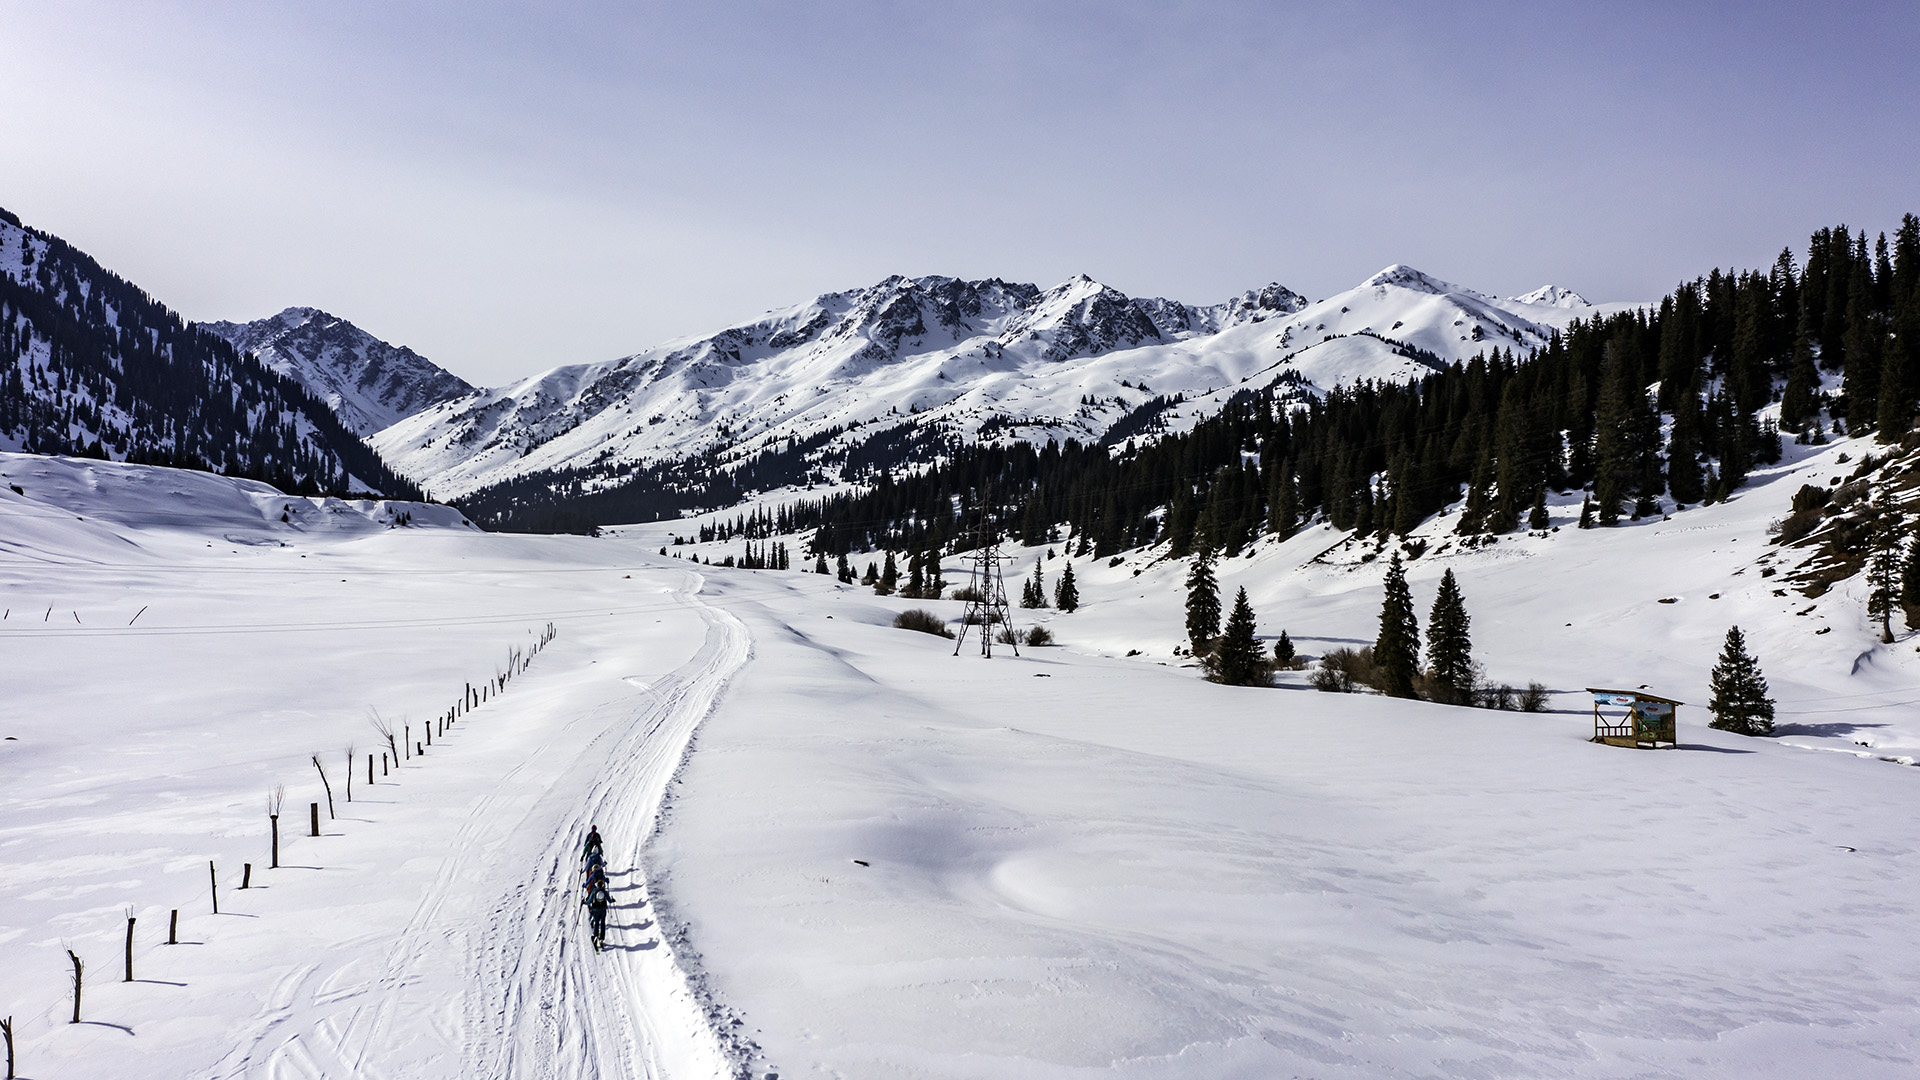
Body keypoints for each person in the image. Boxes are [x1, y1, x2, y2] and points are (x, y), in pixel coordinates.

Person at [586, 875, 611, 950]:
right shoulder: (605, 892)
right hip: (603, 909)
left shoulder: (594, 891)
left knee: (596, 922)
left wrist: (584, 902)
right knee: (602, 923)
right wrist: (613, 900)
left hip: (595, 910)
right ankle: (601, 939)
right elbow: (609, 900)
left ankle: (595, 935)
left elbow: (589, 901)